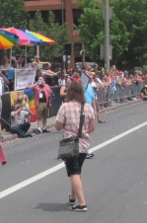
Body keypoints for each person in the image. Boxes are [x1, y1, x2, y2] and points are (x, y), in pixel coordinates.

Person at [54, 82, 96, 212]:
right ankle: (72, 197)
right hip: (83, 144)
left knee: (74, 172)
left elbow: (58, 126)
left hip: (70, 143)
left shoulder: (65, 107)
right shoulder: (88, 107)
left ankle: (82, 203)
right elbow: (92, 128)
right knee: (77, 170)